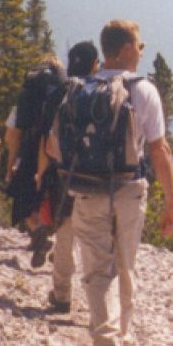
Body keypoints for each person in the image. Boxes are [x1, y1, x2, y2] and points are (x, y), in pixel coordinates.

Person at [47, 19, 173, 346]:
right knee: (125, 264)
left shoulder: (80, 89)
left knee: (96, 272)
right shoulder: (143, 89)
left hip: (87, 191)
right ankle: (125, 343)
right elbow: (159, 149)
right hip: (128, 189)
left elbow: (55, 147)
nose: (142, 49)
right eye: (139, 45)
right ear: (123, 49)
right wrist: (172, 203)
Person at [44, 40, 100, 313]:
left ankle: (62, 294)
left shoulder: (61, 93)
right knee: (97, 242)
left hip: (65, 177)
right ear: (95, 64)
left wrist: (45, 171)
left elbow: (49, 142)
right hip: (101, 179)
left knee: (64, 237)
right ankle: (98, 303)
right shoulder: (105, 91)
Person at [5, 54, 67, 265]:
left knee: (24, 199)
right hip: (62, 153)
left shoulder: (26, 96)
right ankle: (60, 245)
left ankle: (38, 230)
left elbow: (12, 136)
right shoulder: (65, 92)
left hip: (31, 149)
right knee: (59, 201)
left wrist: (11, 163)